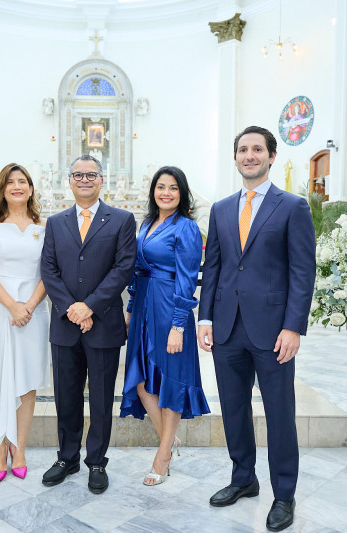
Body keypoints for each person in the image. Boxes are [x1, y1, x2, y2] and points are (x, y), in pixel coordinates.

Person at [197, 126, 315, 532]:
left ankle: (284, 494)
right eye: (243, 150)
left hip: (273, 331)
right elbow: (213, 266)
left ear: (271, 156)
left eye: (257, 149)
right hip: (228, 326)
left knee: (280, 413)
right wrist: (206, 318)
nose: (249, 155)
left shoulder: (293, 206)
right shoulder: (222, 208)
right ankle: (243, 478)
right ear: (235, 158)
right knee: (233, 409)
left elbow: (303, 270)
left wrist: (293, 327)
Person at [40, 155, 136, 494]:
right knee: (65, 398)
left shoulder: (122, 220)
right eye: (78, 174)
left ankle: (96, 461)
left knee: (100, 398)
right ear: (69, 181)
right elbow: (48, 271)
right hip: (66, 326)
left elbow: (123, 269)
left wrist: (90, 306)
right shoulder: (55, 222)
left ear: (101, 180)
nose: (84, 179)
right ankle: (67, 457)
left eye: (91, 174)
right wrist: (71, 309)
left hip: (104, 324)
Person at [120, 166, 210, 486]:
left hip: (170, 306)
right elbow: (134, 270)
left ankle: (162, 455)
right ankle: (168, 439)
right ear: (153, 191)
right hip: (144, 303)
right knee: (142, 381)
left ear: (181, 193)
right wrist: (131, 308)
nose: (166, 193)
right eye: (161, 187)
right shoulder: (145, 224)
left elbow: (188, 278)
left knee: (170, 379)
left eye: (173, 188)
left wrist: (178, 325)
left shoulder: (185, 227)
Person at [0, 163, 49, 482]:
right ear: (1, 189)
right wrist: (11, 305)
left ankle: (21, 449)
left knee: (26, 382)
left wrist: (27, 306)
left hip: (33, 310)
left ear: (30, 188)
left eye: (23, 181)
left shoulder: (44, 226)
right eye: (10, 182)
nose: (17, 186)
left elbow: (49, 272)